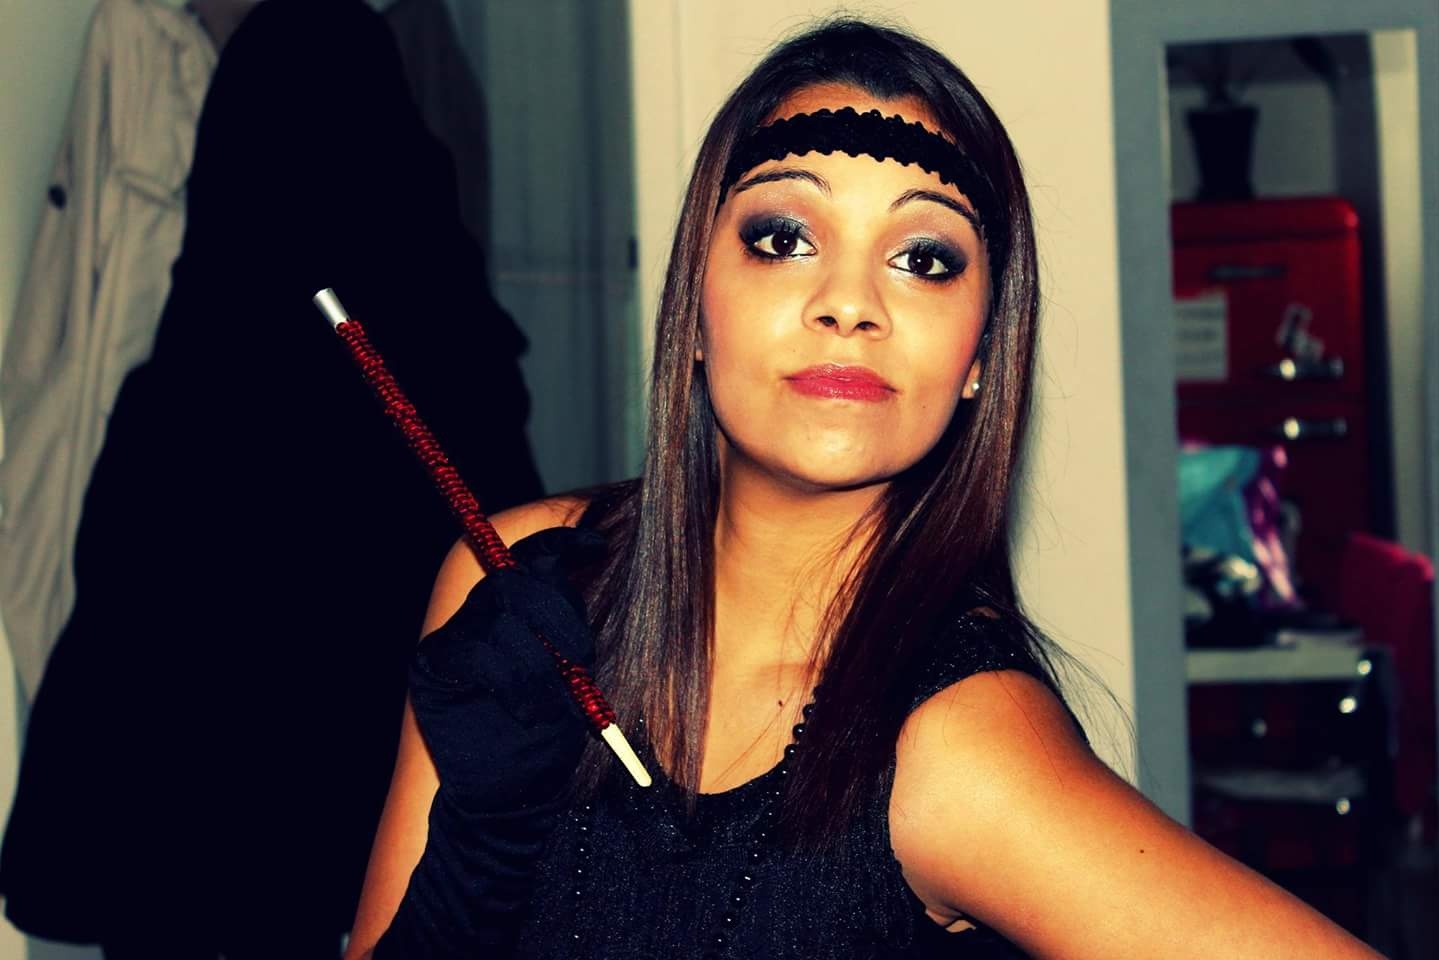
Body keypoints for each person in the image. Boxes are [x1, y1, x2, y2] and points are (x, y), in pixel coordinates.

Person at [343, 18, 1382, 959]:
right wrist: (482, 837)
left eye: (923, 258)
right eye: (782, 239)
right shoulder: (507, 578)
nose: (848, 302)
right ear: (694, 304)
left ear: (980, 357)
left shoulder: (957, 744)